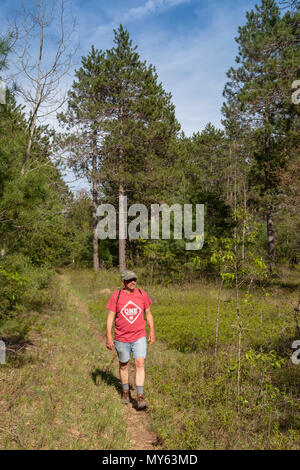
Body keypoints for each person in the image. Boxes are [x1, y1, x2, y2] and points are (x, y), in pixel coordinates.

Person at [106, 270, 155, 410]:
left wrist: (152, 330)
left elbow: (148, 313)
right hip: (121, 338)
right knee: (123, 364)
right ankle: (126, 392)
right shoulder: (117, 296)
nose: (132, 282)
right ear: (123, 282)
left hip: (139, 336)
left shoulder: (142, 294)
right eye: (129, 280)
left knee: (140, 363)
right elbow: (110, 316)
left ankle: (140, 396)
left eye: (134, 279)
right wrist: (109, 335)